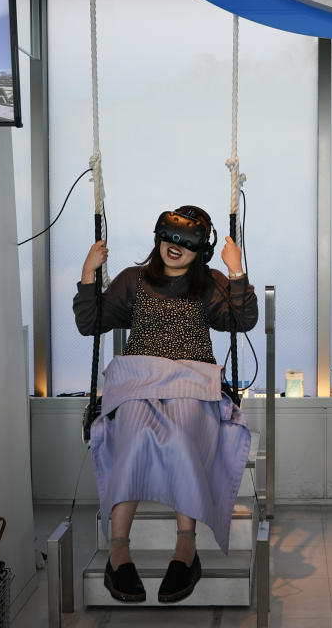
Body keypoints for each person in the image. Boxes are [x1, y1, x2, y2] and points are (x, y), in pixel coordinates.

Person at [73, 205, 258, 604]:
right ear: (158, 236)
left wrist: (236, 269)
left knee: (180, 434)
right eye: (169, 237)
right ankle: (118, 551)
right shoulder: (132, 281)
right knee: (137, 433)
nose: (175, 247)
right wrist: (89, 273)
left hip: (191, 381)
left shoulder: (209, 283)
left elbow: (242, 321)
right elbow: (90, 323)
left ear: (201, 250)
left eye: (187, 242)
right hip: (138, 381)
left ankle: (185, 549)